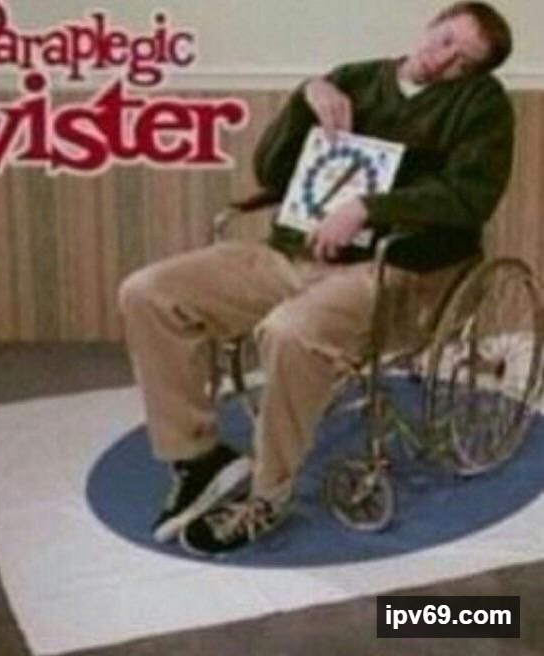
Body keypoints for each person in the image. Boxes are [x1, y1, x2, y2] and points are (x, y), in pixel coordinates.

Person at [118, 2, 514, 556]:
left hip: (394, 268)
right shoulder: (353, 79)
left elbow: (469, 198)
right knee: (149, 293)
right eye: (445, 38)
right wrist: (305, 98)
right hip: (295, 253)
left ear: (471, 73)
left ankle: (267, 494)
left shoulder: (482, 105)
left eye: (462, 60)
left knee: (290, 331)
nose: (443, 59)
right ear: (431, 23)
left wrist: (369, 207)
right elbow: (273, 171)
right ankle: (199, 458)